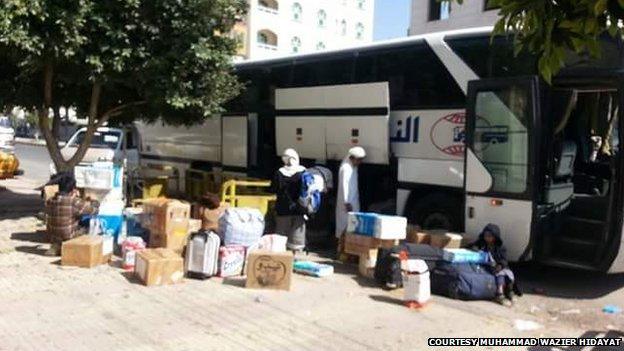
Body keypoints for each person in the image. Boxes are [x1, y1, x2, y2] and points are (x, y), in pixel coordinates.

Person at [44, 171, 99, 256]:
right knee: (89, 225)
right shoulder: (74, 202)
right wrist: (94, 201)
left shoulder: (50, 201)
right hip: (69, 236)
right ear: (73, 189)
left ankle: (56, 247)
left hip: (53, 236)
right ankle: (71, 247)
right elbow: (94, 211)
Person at [470, 223, 518, 306]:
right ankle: (500, 294)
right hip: (486, 266)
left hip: (498, 267)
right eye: (486, 236)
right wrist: (476, 250)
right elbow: (473, 246)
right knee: (500, 274)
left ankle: (509, 292)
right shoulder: (481, 243)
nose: (487, 238)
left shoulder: (500, 247)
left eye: (490, 236)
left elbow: (504, 260)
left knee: (506, 273)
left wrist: (500, 266)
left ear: (495, 237)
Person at [271, 148, 307, 252]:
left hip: (283, 209)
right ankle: (294, 259)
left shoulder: (279, 173)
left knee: (280, 238)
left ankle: (282, 259)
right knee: (296, 239)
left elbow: (274, 188)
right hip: (299, 209)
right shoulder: (303, 171)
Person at [335, 146, 366, 252]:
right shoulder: (346, 168)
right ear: (352, 158)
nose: (360, 162)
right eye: (359, 160)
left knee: (352, 226)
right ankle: (341, 249)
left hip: (352, 201)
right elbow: (345, 186)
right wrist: (346, 202)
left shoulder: (353, 167)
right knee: (344, 226)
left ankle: (349, 249)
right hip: (347, 203)